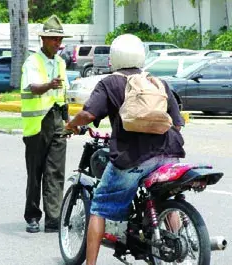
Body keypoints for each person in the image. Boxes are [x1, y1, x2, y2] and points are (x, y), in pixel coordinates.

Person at [65, 34, 185, 265]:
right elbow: (177, 124)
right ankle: (176, 245)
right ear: (141, 56)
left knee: (99, 205)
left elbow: (88, 115)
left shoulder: (110, 83)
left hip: (133, 157)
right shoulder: (156, 82)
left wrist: (70, 125)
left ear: (113, 58)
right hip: (169, 153)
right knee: (166, 196)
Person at [21, 15, 71, 233]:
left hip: (57, 121)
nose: (57, 44)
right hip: (38, 124)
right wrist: (49, 85)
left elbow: (64, 94)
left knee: (56, 172)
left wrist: (69, 121)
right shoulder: (32, 62)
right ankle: (32, 216)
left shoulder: (61, 62)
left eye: (59, 40)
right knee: (36, 173)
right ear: (43, 39)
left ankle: (53, 218)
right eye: (53, 39)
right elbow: (33, 88)